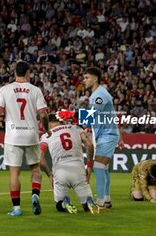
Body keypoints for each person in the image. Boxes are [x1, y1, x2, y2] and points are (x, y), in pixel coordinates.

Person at [57, 67, 124, 208]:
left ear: (95, 79)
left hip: (107, 134)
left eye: (87, 77)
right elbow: (89, 120)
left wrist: (71, 114)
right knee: (103, 168)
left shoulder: (100, 95)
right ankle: (106, 199)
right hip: (103, 135)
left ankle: (100, 202)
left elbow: (91, 114)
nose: (84, 80)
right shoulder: (96, 95)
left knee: (99, 166)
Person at [0, 60, 51, 216]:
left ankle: (17, 208)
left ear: (14, 72)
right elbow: (43, 114)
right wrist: (46, 129)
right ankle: (35, 194)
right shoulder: (36, 90)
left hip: (13, 135)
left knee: (14, 172)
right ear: (28, 73)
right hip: (31, 134)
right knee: (35, 168)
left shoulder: (5, 89)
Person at [39, 114, 99, 214]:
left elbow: (40, 159)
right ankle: (88, 201)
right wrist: (89, 167)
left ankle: (64, 202)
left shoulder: (46, 135)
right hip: (78, 170)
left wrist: (50, 175)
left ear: (49, 123)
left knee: (59, 206)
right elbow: (89, 145)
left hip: (60, 171)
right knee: (87, 209)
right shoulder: (76, 128)